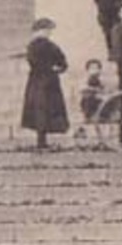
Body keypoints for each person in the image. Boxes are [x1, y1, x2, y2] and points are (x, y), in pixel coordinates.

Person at [20, 17, 69, 152]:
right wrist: (55, 69)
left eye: (48, 30)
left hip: (42, 81)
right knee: (42, 109)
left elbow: (62, 62)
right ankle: (41, 142)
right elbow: (62, 63)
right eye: (45, 30)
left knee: (43, 110)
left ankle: (42, 141)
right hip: (43, 81)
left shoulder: (41, 46)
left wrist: (58, 68)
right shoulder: (42, 46)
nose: (47, 33)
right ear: (38, 31)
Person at [79, 59, 106, 124]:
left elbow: (103, 90)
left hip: (99, 99)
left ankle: (102, 117)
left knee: (103, 102)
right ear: (87, 70)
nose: (94, 70)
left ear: (100, 70)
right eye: (92, 68)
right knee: (87, 99)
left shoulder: (101, 80)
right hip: (88, 100)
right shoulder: (84, 79)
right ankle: (87, 117)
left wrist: (100, 93)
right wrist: (92, 90)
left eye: (97, 68)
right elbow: (82, 89)